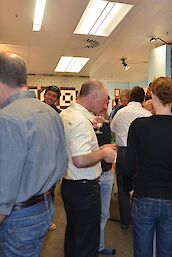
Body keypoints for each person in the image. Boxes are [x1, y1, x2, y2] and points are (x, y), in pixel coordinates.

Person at [0, 52, 68, 256]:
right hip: (44, 208)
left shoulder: (8, 119)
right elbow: (62, 163)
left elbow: (3, 191)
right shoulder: (51, 114)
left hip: (16, 218)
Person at [125, 77, 172, 257]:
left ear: (152, 95)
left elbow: (129, 165)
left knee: (142, 252)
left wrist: (129, 188)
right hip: (171, 196)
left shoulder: (138, 126)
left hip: (143, 195)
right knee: (167, 252)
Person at [60, 80, 116, 257]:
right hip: (84, 189)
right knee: (87, 242)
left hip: (71, 185)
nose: (105, 105)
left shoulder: (67, 114)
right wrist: (104, 153)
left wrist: (97, 148)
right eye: (104, 100)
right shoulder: (79, 121)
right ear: (93, 97)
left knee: (74, 236)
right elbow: (80, 159)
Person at [111, 86, 152, 229]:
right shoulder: (147, 114)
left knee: (122, 188)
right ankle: (137, 219)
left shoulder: (120, 112)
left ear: (130, 97)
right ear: (143, 99)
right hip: (141, 154)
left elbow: (112, 129)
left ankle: (124, 221)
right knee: (139, 187)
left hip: (123, 153)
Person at [95, 97, 116, 256]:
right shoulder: (87, 124)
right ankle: (91, 246)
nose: (105, 106)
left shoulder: (109, 125)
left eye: (107, 103)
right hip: (92, 174)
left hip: (107, 173)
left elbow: (114, 146)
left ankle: (100, 245)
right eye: (103, 102)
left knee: (104, 213)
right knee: (91, 213)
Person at [43, 85, 62, 231]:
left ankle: (48, 219)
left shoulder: (59, 115)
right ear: (44, 94)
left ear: (57, 100)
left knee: (50, 190)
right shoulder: (35, 109)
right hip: (37, 156)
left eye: (53, 96)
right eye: (48, 94)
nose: (50, 97)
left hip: (51, 157)